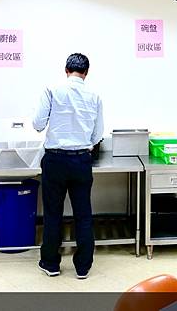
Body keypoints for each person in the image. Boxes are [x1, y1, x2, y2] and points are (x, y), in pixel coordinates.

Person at [33, 53, 104, 279]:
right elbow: (97, 135)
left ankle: (51, 264)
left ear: (66, 70)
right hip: (82, 159)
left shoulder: (52, 90)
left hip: (55, 159)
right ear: (86, 73)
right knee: (83, 214)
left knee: (53, 213)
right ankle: (83, 267)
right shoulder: (94, 96)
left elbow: (37, 124)